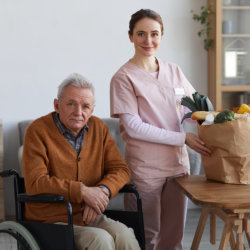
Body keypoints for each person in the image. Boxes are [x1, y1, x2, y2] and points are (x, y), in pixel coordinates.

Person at [110, 9, 211, 250]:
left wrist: (218, 121)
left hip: (177, 167)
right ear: (130, 36)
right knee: (147, 237)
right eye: (141, 34)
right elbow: (133, 128)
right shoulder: (123, 77)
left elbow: (197, 107)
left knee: (173, 238)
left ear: (162, 36)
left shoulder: (174, 71)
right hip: (146, 169)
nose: (148, 40)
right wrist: (183, 137)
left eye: (154, 34)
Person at [22, 73, 141, 250]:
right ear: (57, 105)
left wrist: (101, 192)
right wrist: (83, 192)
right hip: (51, 220)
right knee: (100, 240)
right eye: (71, 104)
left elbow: (120, 169)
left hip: (90, 215)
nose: (78, 112)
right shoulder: (37, 131)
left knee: (125, 235)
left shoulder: (99, 128)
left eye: (85, 106)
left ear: (92, 110)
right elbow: (35, 182)